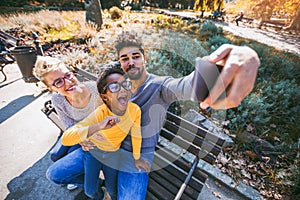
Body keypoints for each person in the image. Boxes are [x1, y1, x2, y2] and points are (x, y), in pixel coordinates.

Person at [111, 31, 260, 199]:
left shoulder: (159, 86)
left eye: (135, 56)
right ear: (120, 62)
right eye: (124, 58)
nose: (130, 62)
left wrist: (236, 59)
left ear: (144, 58)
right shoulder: (119, 86)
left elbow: (186, 85)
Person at [61, 66, 150, 199]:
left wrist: (137, 158)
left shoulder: (135, 110)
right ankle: (100, 195)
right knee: (89, 191)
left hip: (113, 155)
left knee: (113, 191)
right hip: (93, 152)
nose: (122, 89)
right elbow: (66, 139)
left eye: (125, 84)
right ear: (105, 96)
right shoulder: (100, 113)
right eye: (114, 87)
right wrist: (97, 127)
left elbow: (136, 136)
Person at [33, 56, 105, 198]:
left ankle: (94, 186)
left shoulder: (96, 91)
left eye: (68, 75)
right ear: (51, 88)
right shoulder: (57, 99)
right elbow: (69, 126)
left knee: (56, 171)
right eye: (58, 82)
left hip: (98, 139)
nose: (68, 82)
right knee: (55, 155)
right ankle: (89, 180)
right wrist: (80, 139)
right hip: (80, 135)